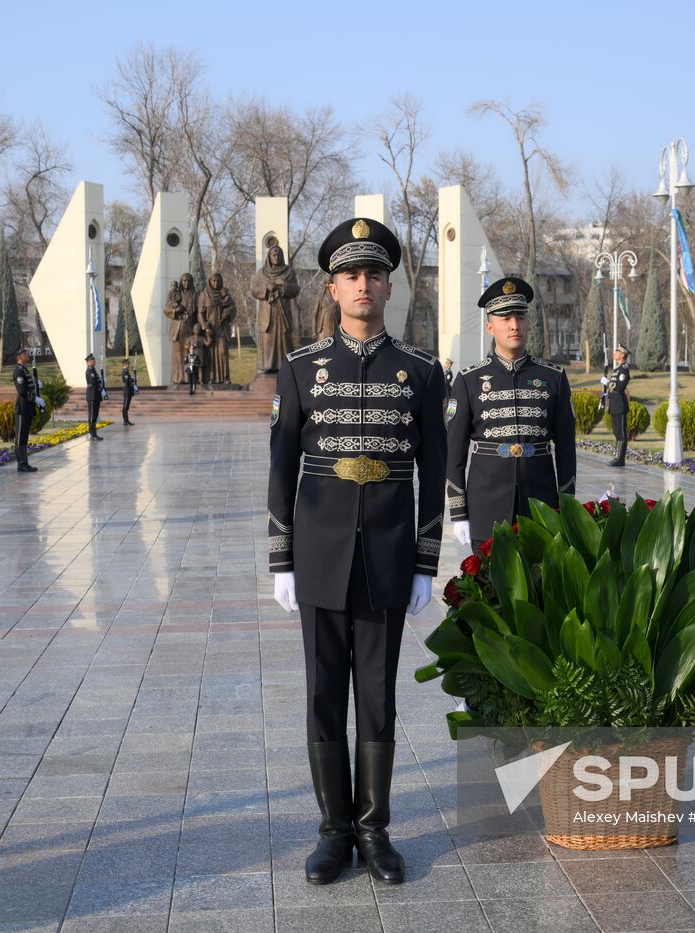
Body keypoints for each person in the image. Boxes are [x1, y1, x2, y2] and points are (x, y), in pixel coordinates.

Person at [268, 216, 446, 887]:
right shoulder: (301, 368)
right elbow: (282, 468)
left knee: (376, 695)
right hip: (318, 554)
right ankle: (331, 832)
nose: (363, 284)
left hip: (388, 557)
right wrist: (280, 557)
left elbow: (434, 467)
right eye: (351, 274)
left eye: (373, 273)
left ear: (389, 284)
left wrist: (427, 561)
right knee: (322, 696)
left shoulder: (421, 371)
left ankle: (374, 830)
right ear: (334, 287)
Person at [446, 277, 577, 555]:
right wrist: (459, 512)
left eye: (520, 317)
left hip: (541, 506)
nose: (514, 325)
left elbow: (566, 449)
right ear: (490, 326)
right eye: (505, 318)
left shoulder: (553, 377)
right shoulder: (469, 380)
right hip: (486, 506)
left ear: (528, 323)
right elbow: (454, 452)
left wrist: (567, 505)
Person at [253, 241, 300, 372]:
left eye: (279, 254)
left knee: (284, 340)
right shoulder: (261, 273)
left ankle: (284, 366)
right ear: (269, 256)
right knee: (268, 339)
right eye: (274, 254)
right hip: (267, 313)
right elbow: (254, 290)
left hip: (283, 313)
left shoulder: (289, 272)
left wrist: (283, 283)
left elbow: (296, 289)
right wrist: (266, 288)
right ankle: (267, 366)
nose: (276, 257)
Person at [199, 272, 236, 384]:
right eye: (213, 280)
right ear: (209, 282)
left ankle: (225, 377)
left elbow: (233, 308)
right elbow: (200, 314)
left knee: (222, 351)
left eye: (218, 281)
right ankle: (211, 378)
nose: (216, 283)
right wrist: (205, 326)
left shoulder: (224, 294)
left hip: (222, 329)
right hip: (210, 330)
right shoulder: (204, 295)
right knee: (210, 354)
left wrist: (227, 314)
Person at [164, 274, 198, 385]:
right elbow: (166, 309)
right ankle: (178, 377)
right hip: (178, 328)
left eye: (188, 281)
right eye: (184, 281)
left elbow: (199, 312)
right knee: (178, 353)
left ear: (192, 282)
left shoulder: (196, 295)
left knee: (189, 353)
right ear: (180, 282)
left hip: (190, 328)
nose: (186, 283)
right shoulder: (175, 294)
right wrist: (176, 310)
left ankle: (189, 377)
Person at [602, 346, 631, 467]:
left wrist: (607, 383)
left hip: (620, 403)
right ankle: (617, 457)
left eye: (617, 352)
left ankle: (620, 459)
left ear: (622, 355)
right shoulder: (616, 369)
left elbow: (619, 387)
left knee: (621, 434)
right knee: (616, 432)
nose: (614, 353)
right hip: (614, 403)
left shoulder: (624, 369)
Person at [13, 347, 39, 471]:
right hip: (22, 407)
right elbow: (22, 391)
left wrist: (36, 385)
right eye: (24, 353)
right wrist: (34, 398)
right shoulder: (18, 371)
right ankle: (21, 463)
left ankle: (25, 463)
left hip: (27, 406)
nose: (26, 354)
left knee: (24, 436)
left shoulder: (24, 369)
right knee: (20, 436)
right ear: (19, 356)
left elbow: (28, 386)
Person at [84, 353, 104, 441]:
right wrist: (99, 383)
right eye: (93, 360)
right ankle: (92, 434)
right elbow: (92, 382)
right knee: (92, 416)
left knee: (94, 415)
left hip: (95, 395)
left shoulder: (93, 370)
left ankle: (94, 433)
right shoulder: (89, 370)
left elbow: (97, 381)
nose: (94, 361)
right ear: (89, 362)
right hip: (92, 395)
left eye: (94, 360)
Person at [120, 358, 138, 426]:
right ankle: (125, 421)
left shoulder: (127, 371)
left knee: (127, 406)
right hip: (127, 390)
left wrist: (133, 379)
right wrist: (133, 379)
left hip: (128, 390)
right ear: (126, 364)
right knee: (125, 406)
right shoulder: (125, 371)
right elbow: (127, 381)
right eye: (128, 364)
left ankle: (127, 420)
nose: (129, 365)